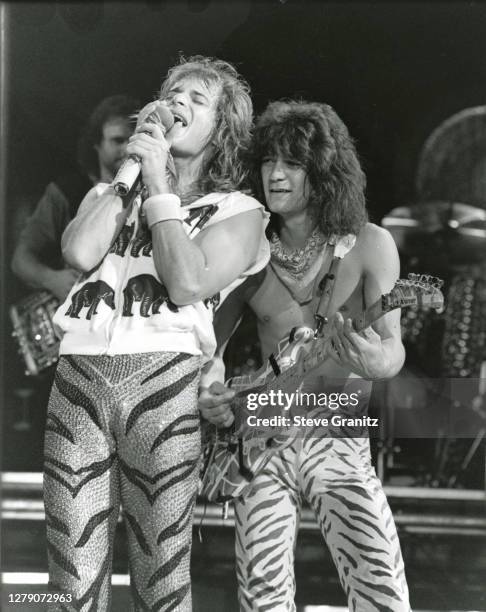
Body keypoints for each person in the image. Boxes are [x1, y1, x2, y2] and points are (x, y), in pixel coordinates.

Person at [43, 56, 269, 611]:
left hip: (164, 387)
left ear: (223, 127)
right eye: (170, 92)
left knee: (160, 575)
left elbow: (188, 282)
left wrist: (162, 187)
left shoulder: (239, 212)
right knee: (69, 575)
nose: (175, 104)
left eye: (195, 98)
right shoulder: (109, 194)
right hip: (79, 379)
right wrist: (127, 182)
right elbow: (76, 252)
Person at [199, 100, 410, 611]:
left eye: (292, 163)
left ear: (323, 170)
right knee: (263, 596)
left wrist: (369, 361)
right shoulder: (248, 251)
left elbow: (392, 348)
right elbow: (212, 352)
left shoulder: (369, 244)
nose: (275, 174)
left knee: (381, 588)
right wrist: (212, 394)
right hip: (262, 435)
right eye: (269, 161)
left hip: (338, 434)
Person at [11, 94, 139, 302]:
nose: (127, 149)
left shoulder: (149, 192)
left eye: (132, 140)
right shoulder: (64, 192)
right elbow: (21, 260)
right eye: (118, 140)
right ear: (96, 143)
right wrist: (52, 279)